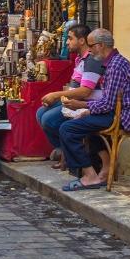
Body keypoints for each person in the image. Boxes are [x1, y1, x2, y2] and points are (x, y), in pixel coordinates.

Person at [59, 28, 130, 191]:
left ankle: (90, 175)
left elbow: (107, 104)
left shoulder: (116, 66)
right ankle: (104, 169)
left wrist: (82, 105)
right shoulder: (112, 63)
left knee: (67, 130)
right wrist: (88, 110)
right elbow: (107, 102)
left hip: (123, 116)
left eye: (91, 46)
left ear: (101, 45)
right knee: (83, 123)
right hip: (115, 112)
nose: (89, 50)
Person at [36, 24, 102, 168]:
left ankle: (67, 150)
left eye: (70, 38)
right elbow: (76, 85)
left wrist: (56, 95)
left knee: (48, 119)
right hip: (74, 99)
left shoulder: (91, 60)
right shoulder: (80, 59)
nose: (66, 42)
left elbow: (85, 91)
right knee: (40, 113)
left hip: (84, 102)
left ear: (81, 41)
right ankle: (63, 149)